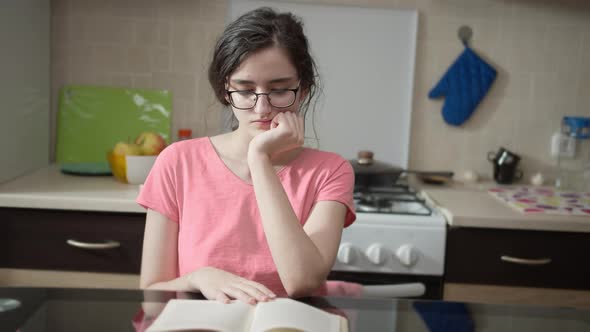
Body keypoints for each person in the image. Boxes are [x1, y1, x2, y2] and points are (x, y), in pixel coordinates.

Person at [137, 7, 356, 305]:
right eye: (245, 89)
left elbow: (302, 281)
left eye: (279, 90)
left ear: (303, 90)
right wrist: (197, 277)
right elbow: (152, 296)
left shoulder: (331, 171)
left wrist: (260, 159)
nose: (262, 108)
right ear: (226, 89)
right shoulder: (177, 162)